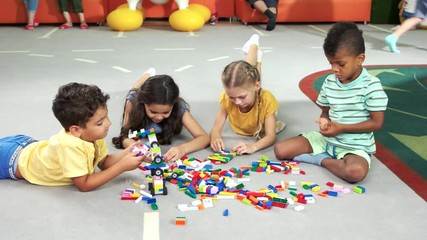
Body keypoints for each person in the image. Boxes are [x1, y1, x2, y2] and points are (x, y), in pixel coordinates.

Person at [274, 22, 388, 183]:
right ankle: (332, 159)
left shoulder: (371, 86)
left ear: (359, 59)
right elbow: (325, 111)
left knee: (355, 172)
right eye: (331, 63)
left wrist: (341, 128)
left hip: (354, 147)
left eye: (340, 64)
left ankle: (321, 160)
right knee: (280, 150)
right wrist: (324, 121)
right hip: (326, 140)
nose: (335, 69)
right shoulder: (330, 81)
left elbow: (377, 123)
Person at [0, 83, 147, 191]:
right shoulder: (70, 145)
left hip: (26, 144)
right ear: (76, 130)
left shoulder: (95, 134)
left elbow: (103, 162)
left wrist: (128, 153)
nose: (109, 123)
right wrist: (122, 167)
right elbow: (84, 184)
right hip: (9, 159)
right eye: (100, 122)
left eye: (106, 117)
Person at [210, 34, 286, 156]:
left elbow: (270, 136)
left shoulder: (267, 100)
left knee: (255, 77)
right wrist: (215, 138)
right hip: (252, 90)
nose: (237, 102)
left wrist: (253, 147)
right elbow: (216, 128)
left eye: (241, 97)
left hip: (262, 105)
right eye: (232, 97)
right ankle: (255, 51)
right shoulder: (226, 98)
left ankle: (255, 49)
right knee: (251, 74)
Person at [112, 69, 210, 162]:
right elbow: (124, 136)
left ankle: (148, 79)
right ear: (144, 103)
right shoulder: (132, 103)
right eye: (153, 112)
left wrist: (182, 149)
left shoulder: (178, 107)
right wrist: (136, 147)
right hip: (136, 96)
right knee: (134, 89)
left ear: (173, 106)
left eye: (166, 112)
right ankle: (146, 76)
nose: (159, 117)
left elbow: (204, 138)